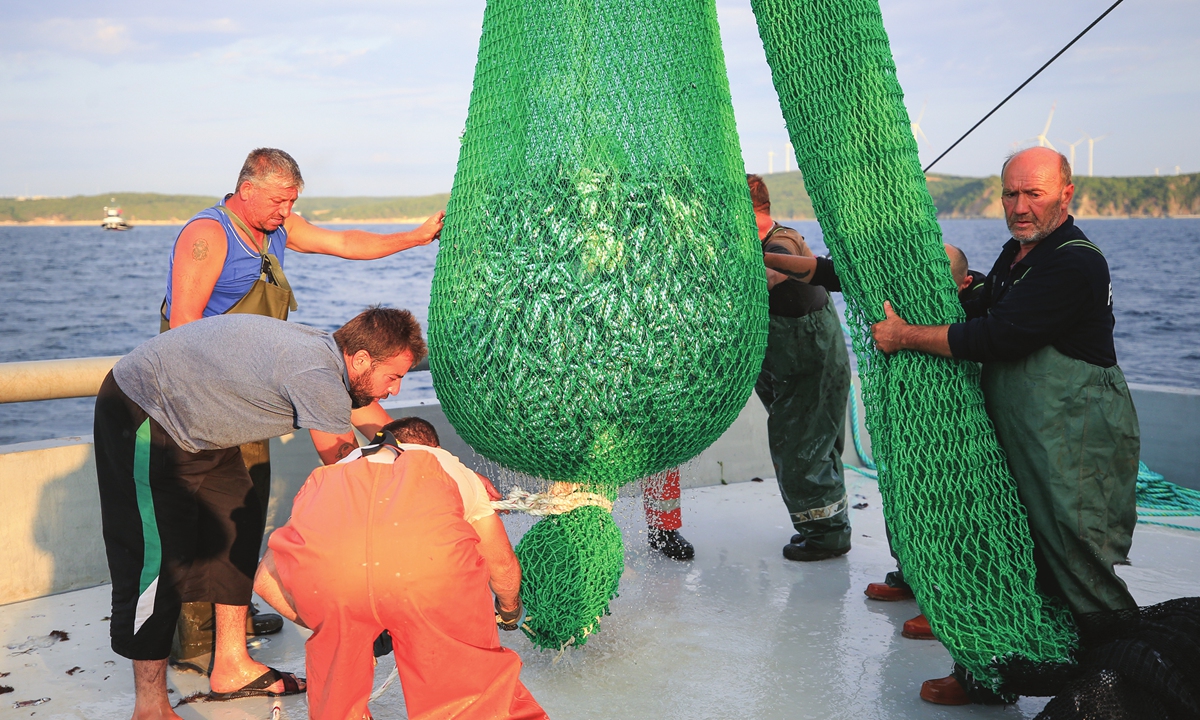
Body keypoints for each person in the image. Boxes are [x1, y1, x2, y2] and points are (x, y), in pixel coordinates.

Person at [869, 147, 1140, 705]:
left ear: (1066, 194)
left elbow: (998, 337)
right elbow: (981, 309)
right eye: (1010, 193)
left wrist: (905, 336)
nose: (1019, 206)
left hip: (1072, 437)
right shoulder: (1018, 253)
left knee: (1074, 557)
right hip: (1023, 433)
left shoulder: (1075, 261)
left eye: (1033, 193)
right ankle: (991, 677)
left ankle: (1125, 685)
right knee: (1004, 550)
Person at [162, 148, 443, 659]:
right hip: (204, 396)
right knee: (206, 517)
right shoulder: (207, 235)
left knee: (246, 506)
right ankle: (201, 643)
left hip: (254, 392)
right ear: (246, 189)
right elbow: (183, 326)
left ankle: (237, 615)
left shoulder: (276, 227)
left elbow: (342, 243)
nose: (286, 209)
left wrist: (415, 237)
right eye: (278, 199)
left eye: (293, 200)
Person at [93, 307, 424, 719]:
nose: (394, 390)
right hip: (145, 407)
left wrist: (437, 467)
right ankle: (150, 706)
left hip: (201, 423)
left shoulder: (332, 362)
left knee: (239, 523)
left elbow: (377, 425)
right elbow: (347, 477)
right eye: (393, 377)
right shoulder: (315, 374)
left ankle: (231, 666)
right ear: (360, 359)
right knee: (154, 560)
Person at [253, 428, 547, 720]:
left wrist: (334, 625)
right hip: (427, 576)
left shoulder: (327, 478)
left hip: (334, 581)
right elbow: (502, 565)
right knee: (471, 698)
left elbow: (265, 582)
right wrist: (509, 610)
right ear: (434, 446)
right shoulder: (450, 467)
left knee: (337, 703)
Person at [748, 173, 854, 562]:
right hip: (785, 359)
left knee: (803, 447)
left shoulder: (782, 241)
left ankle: (826, 536)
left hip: (810, 356)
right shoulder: (753, 239)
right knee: (807, 442)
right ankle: (827, 527)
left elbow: (771, 275)